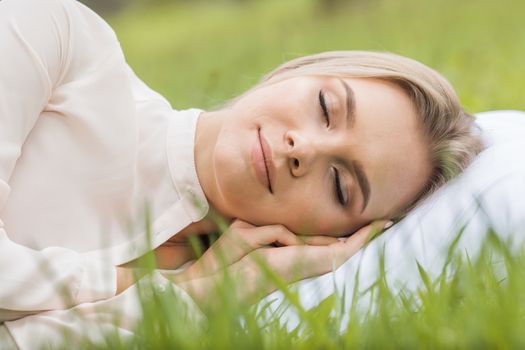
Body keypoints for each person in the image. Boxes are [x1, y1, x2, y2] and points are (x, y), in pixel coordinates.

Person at [0, 0, 482, 347]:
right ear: (292, 72)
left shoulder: (209, 283)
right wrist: (143, 287)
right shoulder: (60, 36)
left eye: (340, 185)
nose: (304, 149)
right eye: (325, 106)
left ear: (332, 236)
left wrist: (201, 295)